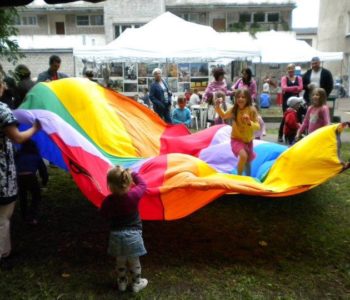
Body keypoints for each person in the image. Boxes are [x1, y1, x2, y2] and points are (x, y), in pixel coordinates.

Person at [0, 79, 41, 269]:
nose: (5, 87)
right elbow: (17, 136)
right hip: (3, 173)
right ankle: (3, 253)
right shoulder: (2, 110)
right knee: (3, 216)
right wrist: (35, 128)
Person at [99, 165, 148, 293]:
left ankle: (122, 283)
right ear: (128, 182)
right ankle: (136, 283)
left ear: (109, 185)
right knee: (134, 260)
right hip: (133, 235)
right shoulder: (134, 195)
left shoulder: (108, 201)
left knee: (120, 261)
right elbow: (143, 184)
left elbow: (103, 214)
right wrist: (134, 173)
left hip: (116, 235)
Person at [215, 89, 260, 176]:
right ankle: (239, 176)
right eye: (238, 97)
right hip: (236, 139)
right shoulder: (234, 109)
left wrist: (249, 122)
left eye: (243, 97)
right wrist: (217, 106)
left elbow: (258, 126)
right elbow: (224, 116)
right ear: (235, 99)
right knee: (243, 156)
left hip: (248, 141)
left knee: (247, 162)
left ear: (248, 99)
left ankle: (248, 178)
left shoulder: (252, 110)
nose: (240, 99)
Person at [15, 140, 48, 225]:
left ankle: (24, 217)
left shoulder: (18, 155)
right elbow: (43, 169)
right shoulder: (36, 156)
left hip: (19, 177)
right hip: (31, 177)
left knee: (23, 197)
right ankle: (32, 217)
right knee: (36, 196)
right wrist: (44, 181)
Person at [278, 63, 303, 143]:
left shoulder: (299, 78)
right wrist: (295, 88)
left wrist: (291, 88)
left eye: (292, 68)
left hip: (296, 101)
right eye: (289, 69)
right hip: (286, 101)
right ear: (287, 70)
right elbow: (284, 88)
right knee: (285, 117)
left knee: (297, 117)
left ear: (294, 69)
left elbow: (301, 88)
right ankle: (281, 135)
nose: (290, 70)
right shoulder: (284, 78)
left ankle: (298, 134)